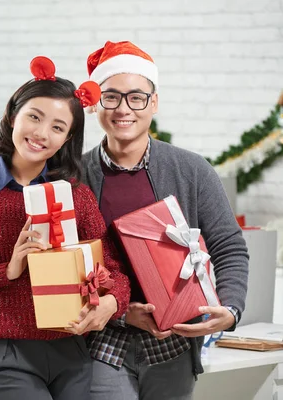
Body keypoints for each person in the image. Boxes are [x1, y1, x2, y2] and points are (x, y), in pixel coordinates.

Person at [0, 56, 131, 400]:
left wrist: (110, 303)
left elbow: (115, 273)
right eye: (34, 117)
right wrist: (7, 270)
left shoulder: (76, 195)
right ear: (12, 115)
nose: (41, 133)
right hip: (2, 353)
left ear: (67, 140)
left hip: (71, 352)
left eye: (58, 127)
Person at [80, 41, 249, 400]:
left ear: (153, 103)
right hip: (102, 345)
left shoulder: (192, 170)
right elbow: (66, 264)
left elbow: (229, 246)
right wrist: (123, 313)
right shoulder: (75, 176)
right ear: (96, 104)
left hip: (175, 344)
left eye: (136, 98)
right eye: (111, 97)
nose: (123, 109)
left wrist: (231, 309)